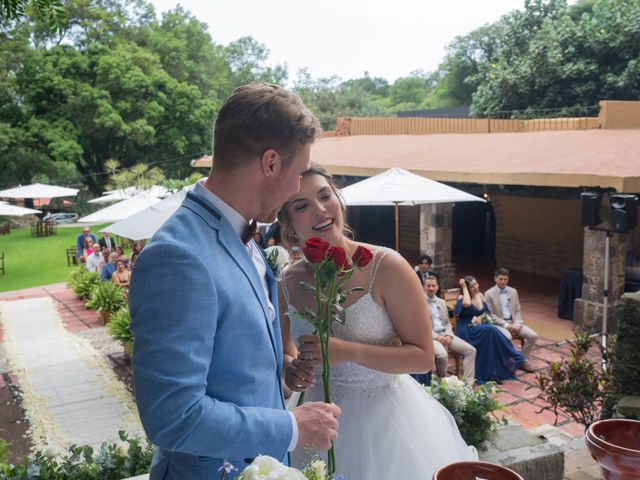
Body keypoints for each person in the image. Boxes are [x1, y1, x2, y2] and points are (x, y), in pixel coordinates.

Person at [128, 82, 340, 480]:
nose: (297, 186)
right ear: (271, 163)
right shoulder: (178, 257)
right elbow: (174, 417)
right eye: (296, 174)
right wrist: (292, 427)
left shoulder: (245, 237)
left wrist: (282, 370)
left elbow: (235, 364)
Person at [278, 165, 477, 479]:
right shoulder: (287, 280)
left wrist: (347, 351)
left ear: (338, 200)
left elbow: (424, 357)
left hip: (385, 421)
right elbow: (285, 350)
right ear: (288, 224)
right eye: (301, 205)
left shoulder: (387, 266)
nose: (320, 209)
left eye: (325, 195)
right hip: (312, 419)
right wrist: (291, 369)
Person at [454, 276, 529, 384]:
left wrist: (481, 315)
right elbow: (467, 304)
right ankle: (517, 357)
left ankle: (493, 369)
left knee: (491, 332)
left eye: (476, 284)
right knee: (491, 330)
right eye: (472, 286)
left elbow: (485, 312)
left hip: (478, 328)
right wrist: (464, 287)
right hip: (467, 330)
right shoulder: (463, 297)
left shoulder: (479, 295)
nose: (475, 287)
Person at [423, 275, 476, 384]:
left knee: (471, 350)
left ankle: (468, 384)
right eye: (428, 286)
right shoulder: (420, 303)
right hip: (431, 337)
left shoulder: (441, 302)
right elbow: (423, 326)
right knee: (442, 355)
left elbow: (447, 322)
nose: (431, 288)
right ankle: (443, 384)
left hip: (446, 335)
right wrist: (438, 337)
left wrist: (448, 335)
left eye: (433, 285)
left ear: (437, 287)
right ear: (424, 287)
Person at [484, 267, 538, 362]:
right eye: (500, 279)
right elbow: (491, 315)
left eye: (505, 279)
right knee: (507, 337)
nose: (503, 282)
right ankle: (504, 361)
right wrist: (508, 325)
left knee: (533, 335)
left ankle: (521, 360)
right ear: (495, 278)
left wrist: (517, 324)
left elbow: (517, 310)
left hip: (513, 321)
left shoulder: (513, 291)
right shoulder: (489, 293)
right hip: (500, 324)